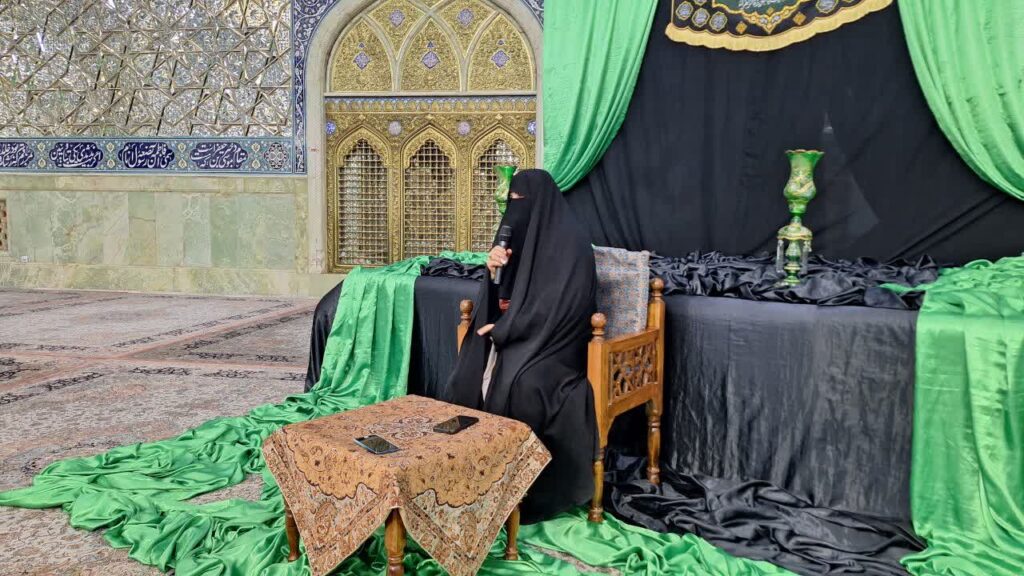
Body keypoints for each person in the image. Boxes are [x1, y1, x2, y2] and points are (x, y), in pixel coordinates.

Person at [446, 169, 598, 523]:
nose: (514, 209)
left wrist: (506, 328)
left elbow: (560, 309)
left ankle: (521, 492)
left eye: (520, 201)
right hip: (514, 334)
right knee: (466, 373)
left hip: (554, 345)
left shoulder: (571, 244)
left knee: (522, 386)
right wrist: (491, 271)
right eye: (511, 201)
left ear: (540, 204)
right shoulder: (515, 238)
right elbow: (501, 296)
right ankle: (467, 479)